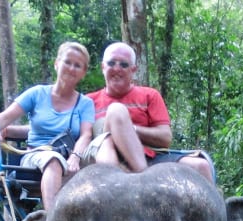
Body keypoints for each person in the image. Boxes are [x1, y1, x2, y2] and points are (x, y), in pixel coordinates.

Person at [0, 42, 95, 208]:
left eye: (77, 65)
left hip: (69, 158)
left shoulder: (85, 103)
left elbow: (86, 134)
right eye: (67, 62)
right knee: (53, 160)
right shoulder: (37, 94)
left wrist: (75, 157)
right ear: (57, 64)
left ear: (83, 72)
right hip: (35, 155)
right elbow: (4, 118)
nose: (71, 68)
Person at [82, 42, 213, 181]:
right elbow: (83, 137)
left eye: (124, 65)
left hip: (149, 157)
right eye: (111, 63)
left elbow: (165, 138)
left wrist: (128, 130)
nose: (117, 68)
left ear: (133, 70)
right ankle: (143, 177)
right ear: (103, 67)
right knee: (116, 111)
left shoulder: (149, 95)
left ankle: (219, 203)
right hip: (107, 158)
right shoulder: (88, 101)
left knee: (201, 166)